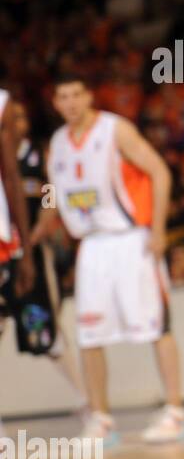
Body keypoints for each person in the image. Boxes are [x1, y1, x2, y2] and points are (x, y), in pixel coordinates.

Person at [30, 74, 184, 444]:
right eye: (62, 96)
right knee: (89, 334)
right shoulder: (56, 144)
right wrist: (34, 231)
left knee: (156, 328)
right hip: (92, 246)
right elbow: (52, 193)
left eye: (75, 94)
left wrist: (159, 229)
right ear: (55, 103)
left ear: (88, 96)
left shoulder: (116, 130)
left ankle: (175, 411)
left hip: (132, 239)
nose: (69, 102)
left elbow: (160, 172)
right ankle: (100, 419)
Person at [0, 94, 89, 426]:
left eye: (23, 118)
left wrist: (34, 234)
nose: (17, 123)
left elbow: (53, 196)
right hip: (6, 245)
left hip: (31, 251)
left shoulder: (40, 157)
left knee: (46, 331)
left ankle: (87, 400)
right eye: (14, 117)